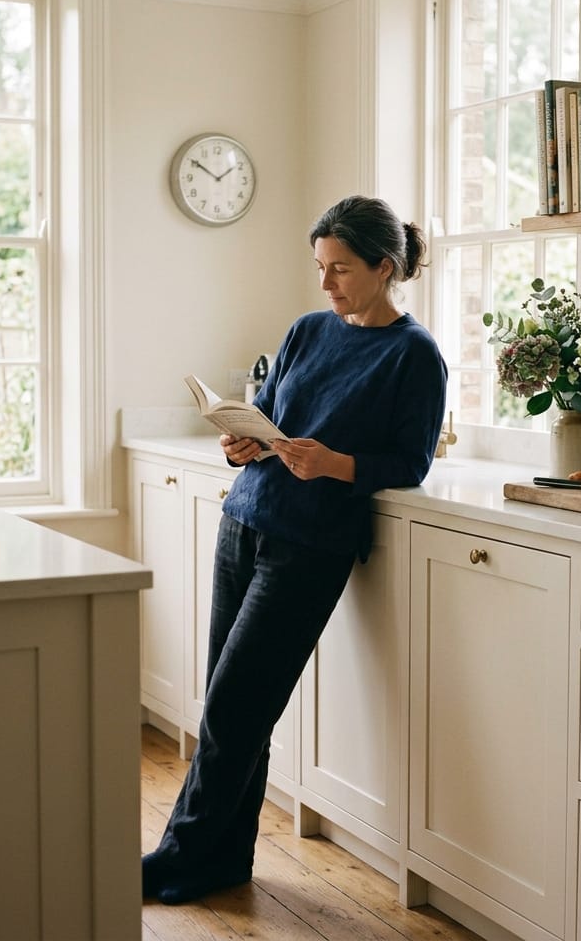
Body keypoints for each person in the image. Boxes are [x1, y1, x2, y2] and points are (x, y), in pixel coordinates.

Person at [142, 194, 448, 905]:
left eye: (340, 269)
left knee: (235, 708)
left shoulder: (415, 355)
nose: (326, 283)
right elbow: (270, 420)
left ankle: (179, 855)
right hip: (245, 519)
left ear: (384, 266)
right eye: (319, 266)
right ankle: (223, 859)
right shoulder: (308, 331)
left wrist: (337, 464)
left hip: (311, 544)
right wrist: (240, 443)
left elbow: (409, 462)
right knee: (231, 701)